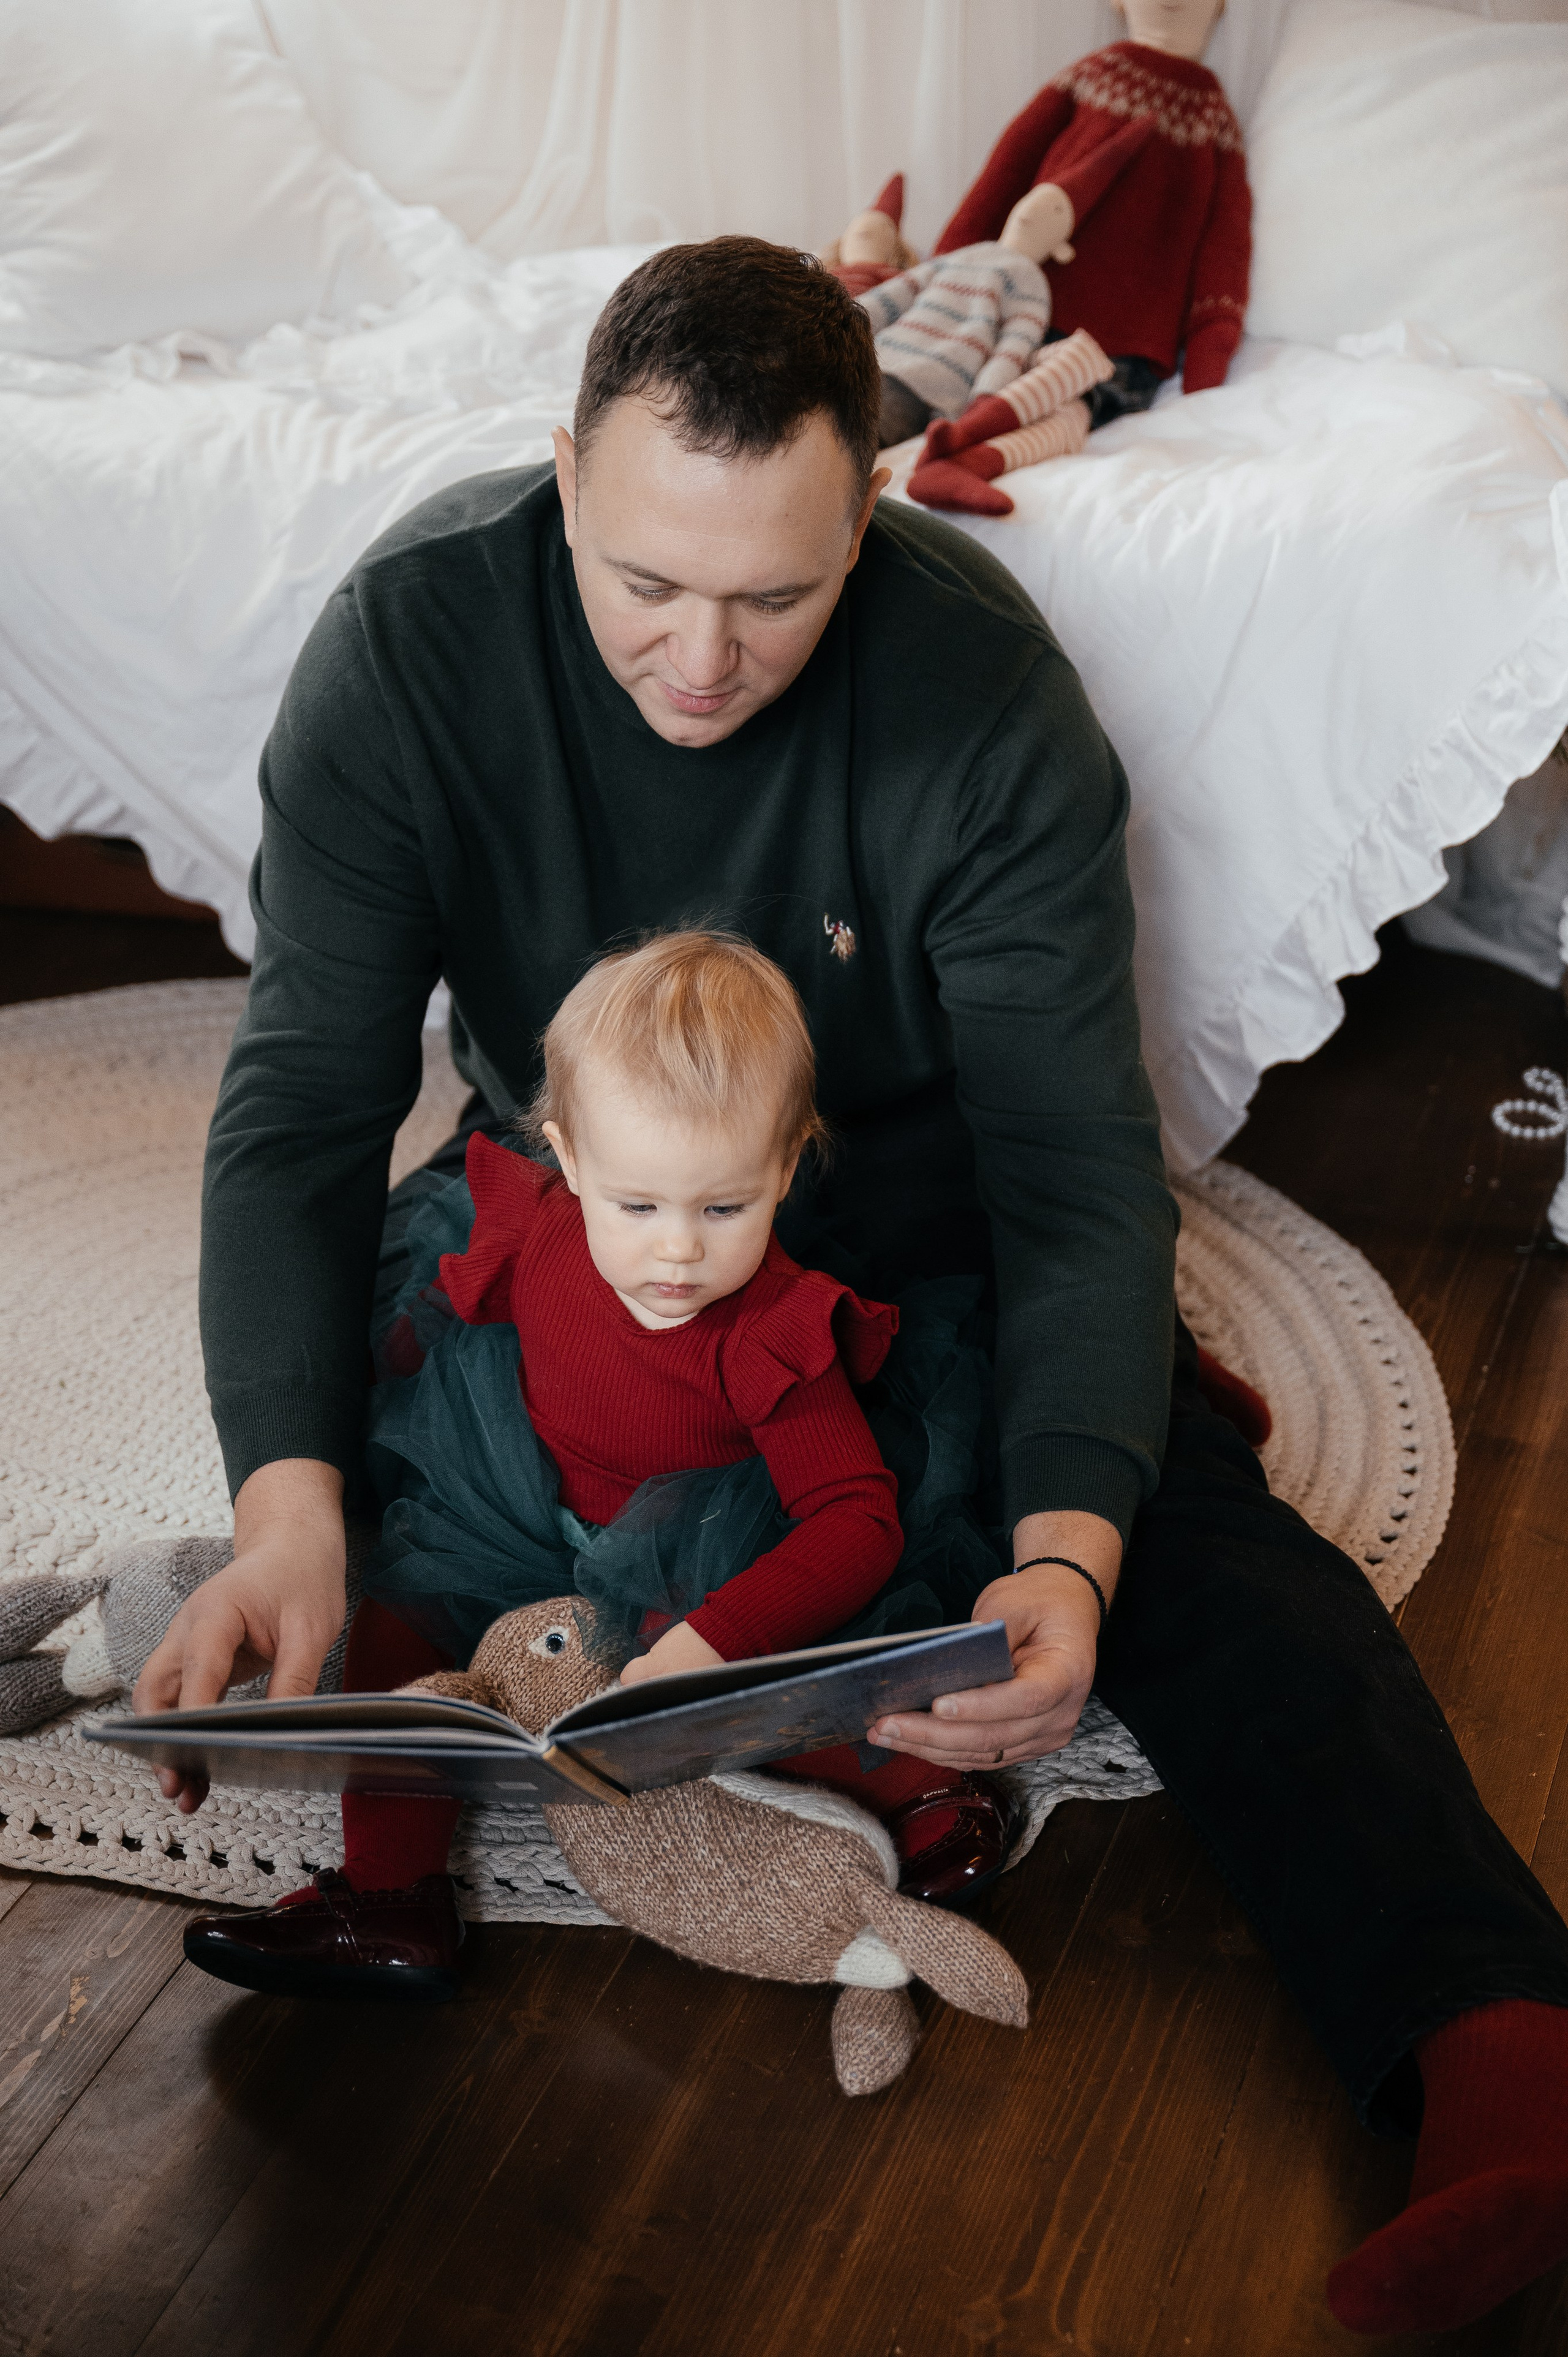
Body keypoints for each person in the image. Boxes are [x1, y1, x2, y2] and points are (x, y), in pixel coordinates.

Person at [141, 235, 1568, 2337]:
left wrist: (1071, 1542)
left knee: (1158, 1520)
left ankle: (1505, 2066)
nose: (699, 659)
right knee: (366, 1457)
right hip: (571, 1194)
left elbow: (1078, 1173)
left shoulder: (982, 695)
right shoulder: (411, 642)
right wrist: (282, 1503)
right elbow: (297, 1106)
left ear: (874, 506)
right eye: (643, 581)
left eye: (773, 597)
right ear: (560, 478)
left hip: (896, 1220)